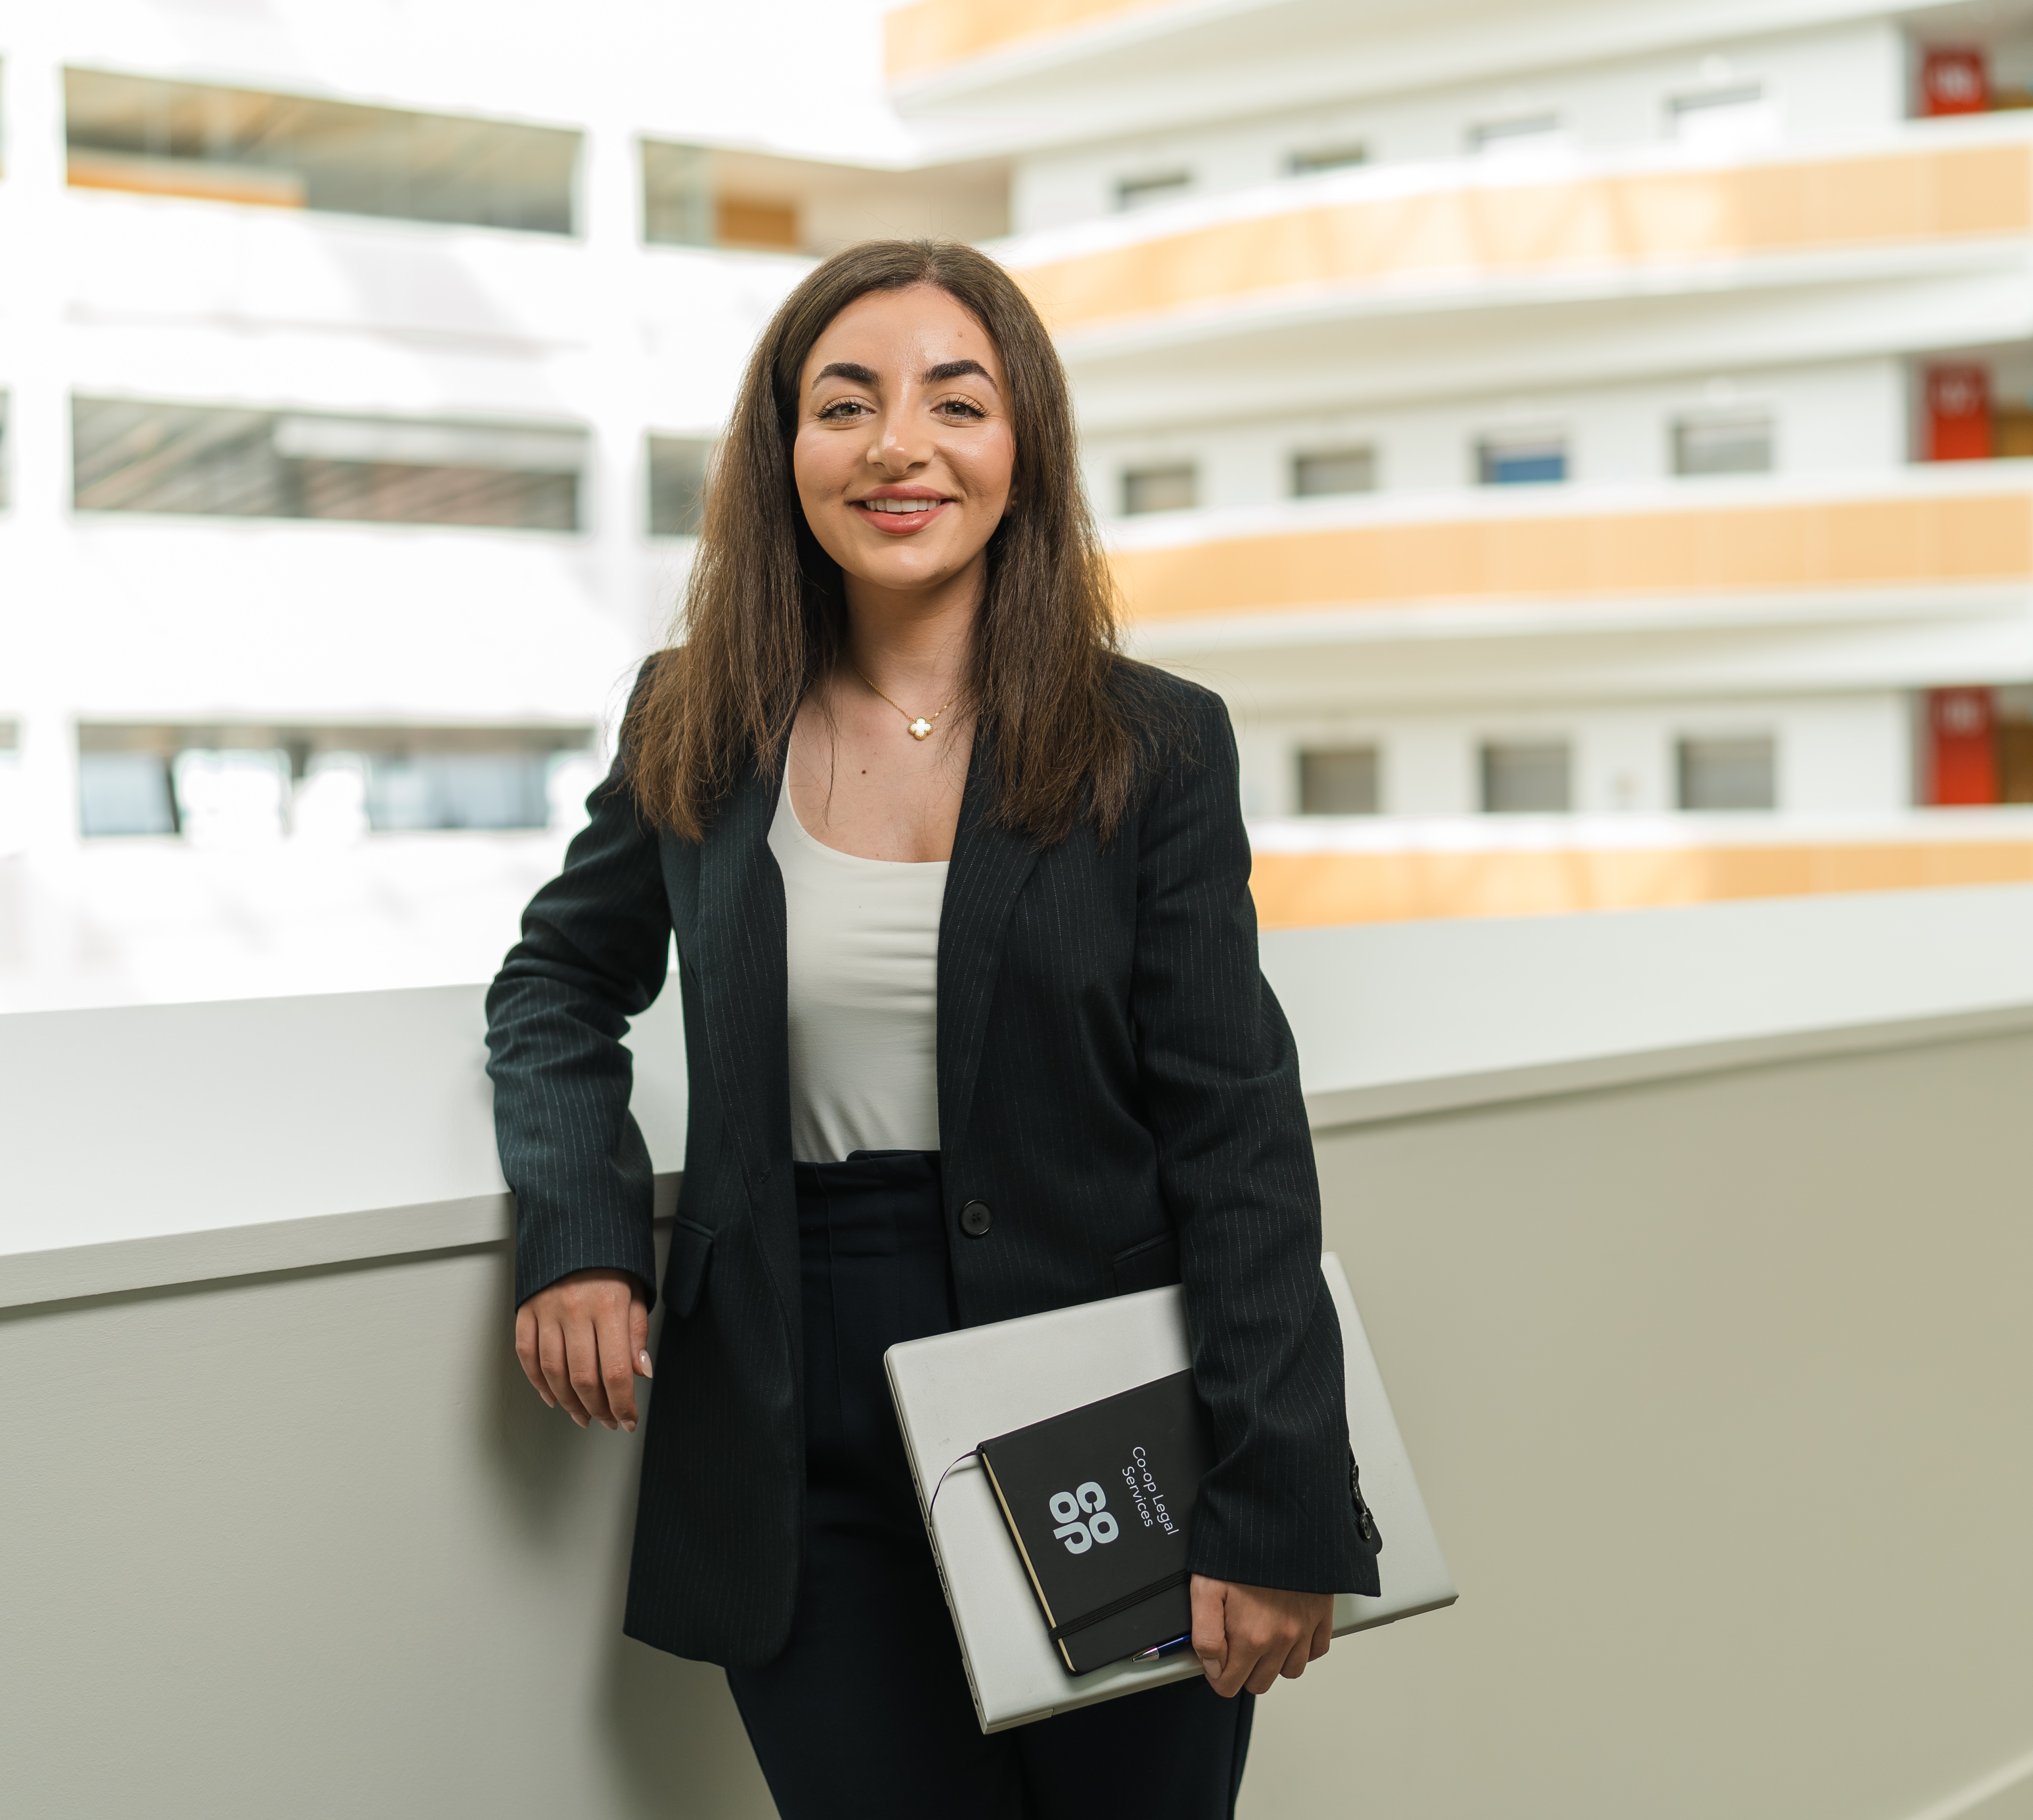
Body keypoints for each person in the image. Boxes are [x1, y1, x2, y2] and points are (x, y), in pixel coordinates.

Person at [484, 238, 1379, 1820]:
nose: (900, 445)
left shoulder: (1152, 744)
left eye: (954, 403)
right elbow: (559, 980)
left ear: (1021, 448)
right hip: (791, 1411)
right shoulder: (695, 715)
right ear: (787, 454)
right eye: (847, 405)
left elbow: (1238, 1132)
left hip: (1105, 1403)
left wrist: (1278, 1500)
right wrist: (581, 1230)